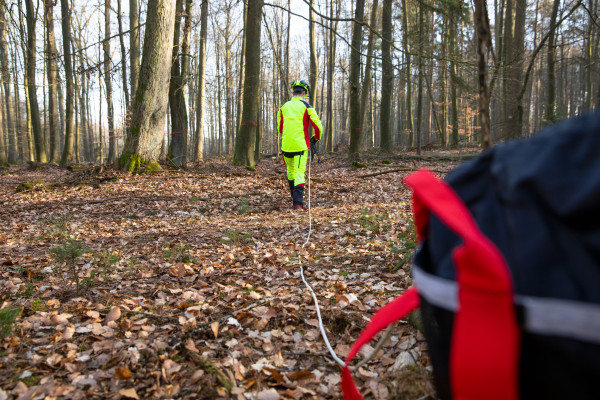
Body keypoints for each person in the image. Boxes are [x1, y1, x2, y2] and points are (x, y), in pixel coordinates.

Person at [277, 80, 323, 210]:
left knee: (290, 171)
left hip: (286, 146)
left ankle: (295, 200)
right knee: (298, 172)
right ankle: (298, 203)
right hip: (300, 146)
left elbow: (280, 128)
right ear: (304, 92)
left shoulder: (283, 107)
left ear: (293, 92)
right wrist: (316, 138)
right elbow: (318, 127)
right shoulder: (307, 106)